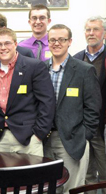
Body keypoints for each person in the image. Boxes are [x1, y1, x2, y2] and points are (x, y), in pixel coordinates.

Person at [44, 24, 101, 194]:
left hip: (73, 140)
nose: (56, 43)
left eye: (61, 39)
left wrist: (85, 135)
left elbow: (93, 108)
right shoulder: (40, 69)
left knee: (72, 188)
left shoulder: (84, 70)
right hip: (45, 140)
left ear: (69, 41)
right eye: (52, 40)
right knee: (48, 188)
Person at [0, 28, 55, 156]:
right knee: (2, 176)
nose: (3, 48)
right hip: (0, 138)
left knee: (31, 176)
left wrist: (39, 134)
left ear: (15, 44)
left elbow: (47, 102)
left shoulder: (34, 67)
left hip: (29, 139)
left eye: (7, 43)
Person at [73, 16, 106, 192]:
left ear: (104, 33)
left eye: (95, 29)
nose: (91, 33)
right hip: (84, 126)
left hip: (103, 127)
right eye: (88, 29)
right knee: (87, 174)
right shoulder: (77, 59)